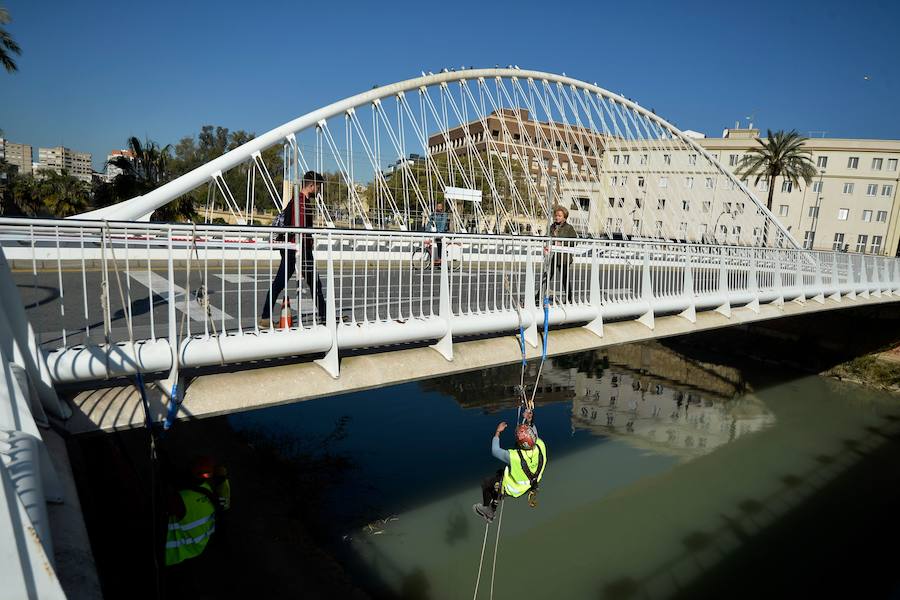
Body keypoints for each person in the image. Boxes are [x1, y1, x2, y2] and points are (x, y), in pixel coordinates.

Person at [261, 171, 326, 327]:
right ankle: (325, 317)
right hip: (298, 249)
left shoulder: (296, 200)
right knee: (313, 283)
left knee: (284, 282)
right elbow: (301, 229)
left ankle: (265, 317)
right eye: (318, 187)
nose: (319, 191)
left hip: (292, 247)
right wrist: (305, 246)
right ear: (311, 185)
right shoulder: (302, 202)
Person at [473, 409, 547, 522]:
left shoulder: (514, 456)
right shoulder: (541, 446)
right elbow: (534, 434)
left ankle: (489, 510)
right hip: (532, 482)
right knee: (499, 473)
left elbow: (495, 450)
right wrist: (530, 421)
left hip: (514, 489)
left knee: (486, 483)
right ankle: (497, 495)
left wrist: (498, 432)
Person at [164, 456, 231, 568]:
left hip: (172, 555)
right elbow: (224, 504)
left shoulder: (180, 499)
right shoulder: (208, 490)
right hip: (198, 548)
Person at [539, 205, 578, 303]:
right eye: (556, 215)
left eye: (560, 216)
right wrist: (546, 244)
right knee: (547, 276)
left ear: (564, 217)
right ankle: (538, 296)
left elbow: (574, 242)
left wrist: (562, 243)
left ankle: (569, 299)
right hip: (553, 256)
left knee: (564, 278)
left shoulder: (569, 228)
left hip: (564, 257)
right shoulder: (552, 227)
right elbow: (547, 238)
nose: (557, 217)